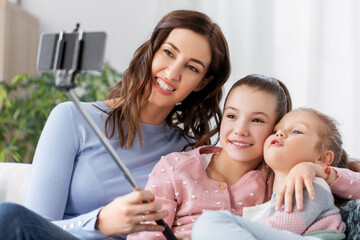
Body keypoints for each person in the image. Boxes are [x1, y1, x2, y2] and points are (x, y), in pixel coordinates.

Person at [0, 9, 231, 240]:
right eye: (169, 52)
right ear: (151, 51)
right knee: (9, 216)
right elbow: (35, 225)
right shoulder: (73, 118)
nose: (172, 73)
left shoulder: (187, 153)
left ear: (202, 83)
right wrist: (99, 222)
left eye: (192, 67)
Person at [127, 75, 360, 240]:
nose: (240, 129)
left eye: (257, 120)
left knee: (209, 225)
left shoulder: (279, 174)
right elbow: (146, 233)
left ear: (272, 133)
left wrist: (318, 169)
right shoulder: (175, 168)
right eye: (231, 115)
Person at [191, 108, 354, 240]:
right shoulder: (270, 198)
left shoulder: (313, 183)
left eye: (296, 131)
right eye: (276, 130)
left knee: (211, 221)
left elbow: (287, 224)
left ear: (323, 158)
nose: (280, 133)